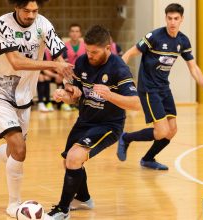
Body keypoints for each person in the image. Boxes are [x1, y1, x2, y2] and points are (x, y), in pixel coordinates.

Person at [0, 0, 73, 217]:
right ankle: (13, 204)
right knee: (19, 149)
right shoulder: (3, 24)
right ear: (16, 7)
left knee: (13, 151)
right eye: (26, 10)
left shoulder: (43, 24)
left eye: (35, 11)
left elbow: (58, 55)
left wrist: (67, 82)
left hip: (25, 94)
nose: (31, 15)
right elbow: (16, 61)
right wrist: (55, 66)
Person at [47, 25, 141, 219]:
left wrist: (110, 95)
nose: (90, 55)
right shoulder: (82, 61)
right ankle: (84, 199)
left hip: (109, 125)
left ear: (108, 48)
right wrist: (64, 94)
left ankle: (62, 210)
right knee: (70, 161)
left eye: (95, 52)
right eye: (87, 50)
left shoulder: (119, 69)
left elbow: (136, 104)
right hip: (85, 120)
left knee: (74, 157)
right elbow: (75, 95)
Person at [116, 3, 203, 170]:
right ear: (165, 18)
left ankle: (148, 159)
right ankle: (126, 137)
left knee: (172, 130)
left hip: (164, 88)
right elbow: (129, 53)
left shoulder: (183, 41)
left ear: (182, 20)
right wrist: (121, 78)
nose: (172, 22)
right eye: (169, 18)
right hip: (149, 88)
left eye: (176, 19)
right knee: (161, 132)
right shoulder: (154, 37)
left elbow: (193, 68)